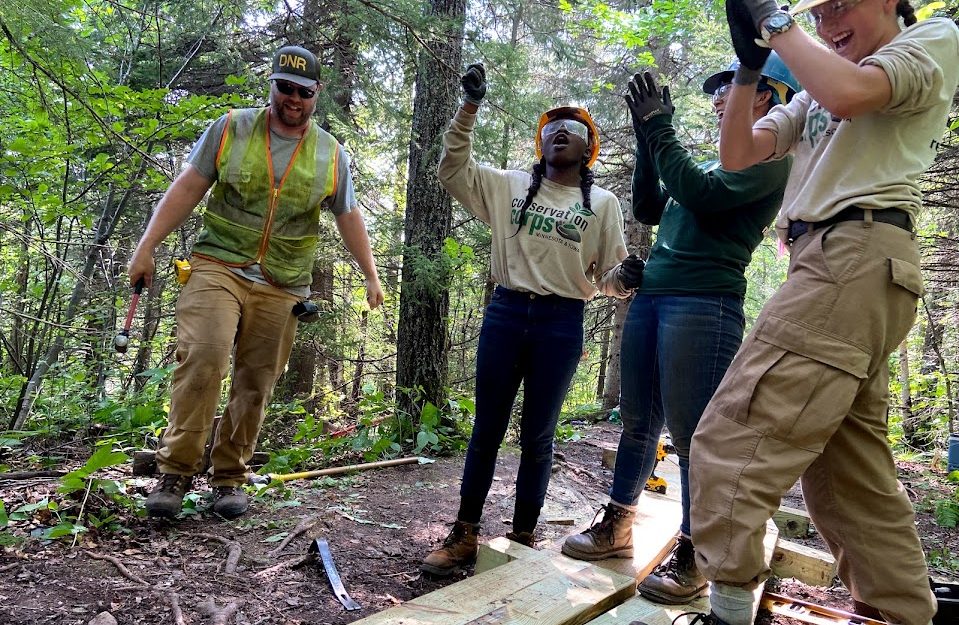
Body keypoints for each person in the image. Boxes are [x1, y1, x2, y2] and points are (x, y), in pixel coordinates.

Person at [685, 0, 959, 622]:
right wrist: (751, 70)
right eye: (820, 8)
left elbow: (849, 94)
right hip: (838, 267)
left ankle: (727, 612)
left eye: (842, 2)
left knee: (733, 440)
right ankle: (902, 613)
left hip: (853, 255)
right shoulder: (823, 80)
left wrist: (778, 26)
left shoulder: (931, 41)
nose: (829, 19)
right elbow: (737, 154)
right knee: (848, 477)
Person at [561, 55, 799, 607]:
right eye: (719, 92)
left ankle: (695, 554)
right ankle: (617, 526)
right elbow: (650, 204)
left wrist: (660, 128)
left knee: (696, 441)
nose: (720, 100)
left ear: (768, 96)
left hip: (704, 304)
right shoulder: (721, 164)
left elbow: (698, 194)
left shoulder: (772, 161)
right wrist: (648, 139)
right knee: (639, 423)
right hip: (654, 299)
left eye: (731, 90)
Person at [128, 44, 384, 520]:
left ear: (316, 93)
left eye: (303, 92)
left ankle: (228, 476)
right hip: (218, 264)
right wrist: (146, 246)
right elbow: (186, 186)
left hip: (284, 281)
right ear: (271, 85)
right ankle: (176, 471)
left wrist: (370, 274)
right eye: (284, 87)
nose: (292, 99)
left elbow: (348, 214)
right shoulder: (231, 128)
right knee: (204, 356)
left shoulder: (331, 153)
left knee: (257, 380)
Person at [420, 63, 641, 576]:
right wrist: (468, 108)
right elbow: (451, 171)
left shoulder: (602, 204)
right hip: (506, 313)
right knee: (487, 428)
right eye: (551, 128)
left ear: (589, 149)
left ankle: (521, 536)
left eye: (574, 129)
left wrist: (626, 276)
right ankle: (465, 533)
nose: (560, 132)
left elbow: (606, 279)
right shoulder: (509, 186)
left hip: (561, 323)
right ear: (540, 142)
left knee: (538, 435)